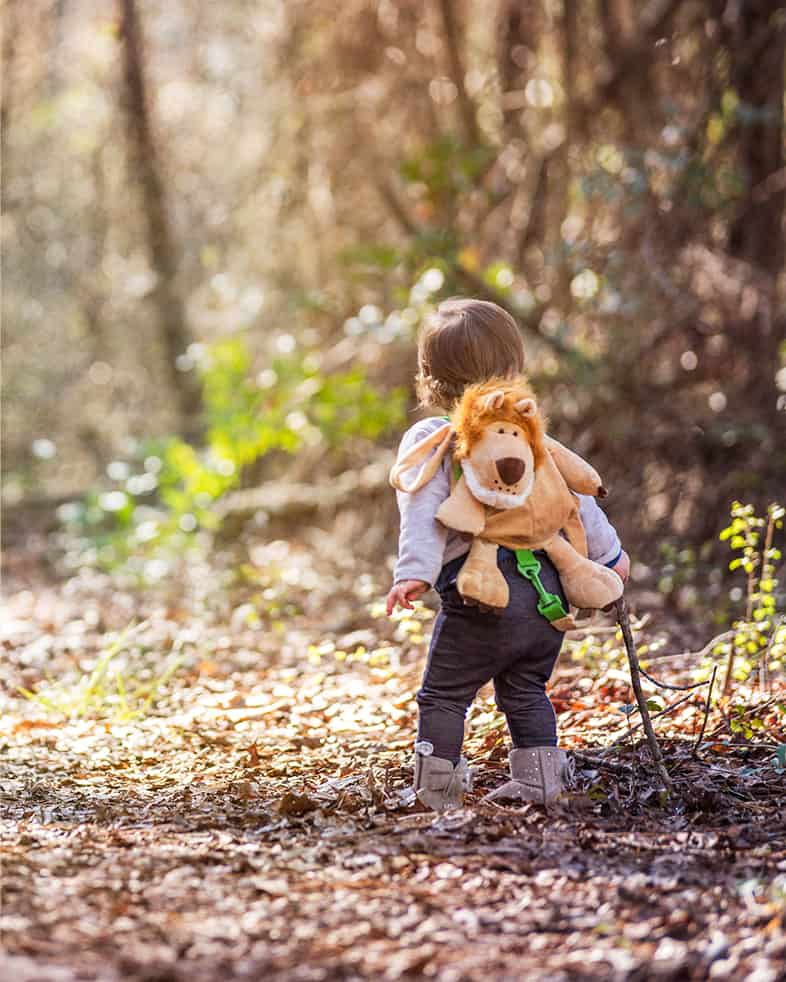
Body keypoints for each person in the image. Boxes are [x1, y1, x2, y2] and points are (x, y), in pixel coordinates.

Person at [386, 298, 629, 810]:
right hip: (546, 599)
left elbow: (422, 513)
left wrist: (413, 574)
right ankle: (542, 781)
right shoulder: (532, 439)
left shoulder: (435, 438)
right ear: (515, 370)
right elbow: (577, 504)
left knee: (444, 695)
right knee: (524, 689)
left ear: (428, 377)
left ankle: (436, 790)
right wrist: (610, 562)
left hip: (483, 598)